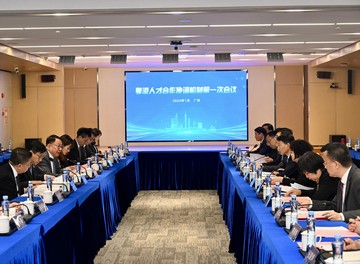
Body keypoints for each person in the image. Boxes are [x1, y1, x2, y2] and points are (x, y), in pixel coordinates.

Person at [311, 143, 360, 222]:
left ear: (336, 164)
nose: (325, 166)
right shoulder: (342, 179)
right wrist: (310, 203)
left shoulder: (357, 179)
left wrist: (342, 216)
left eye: (325, 163)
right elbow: (335, 205)